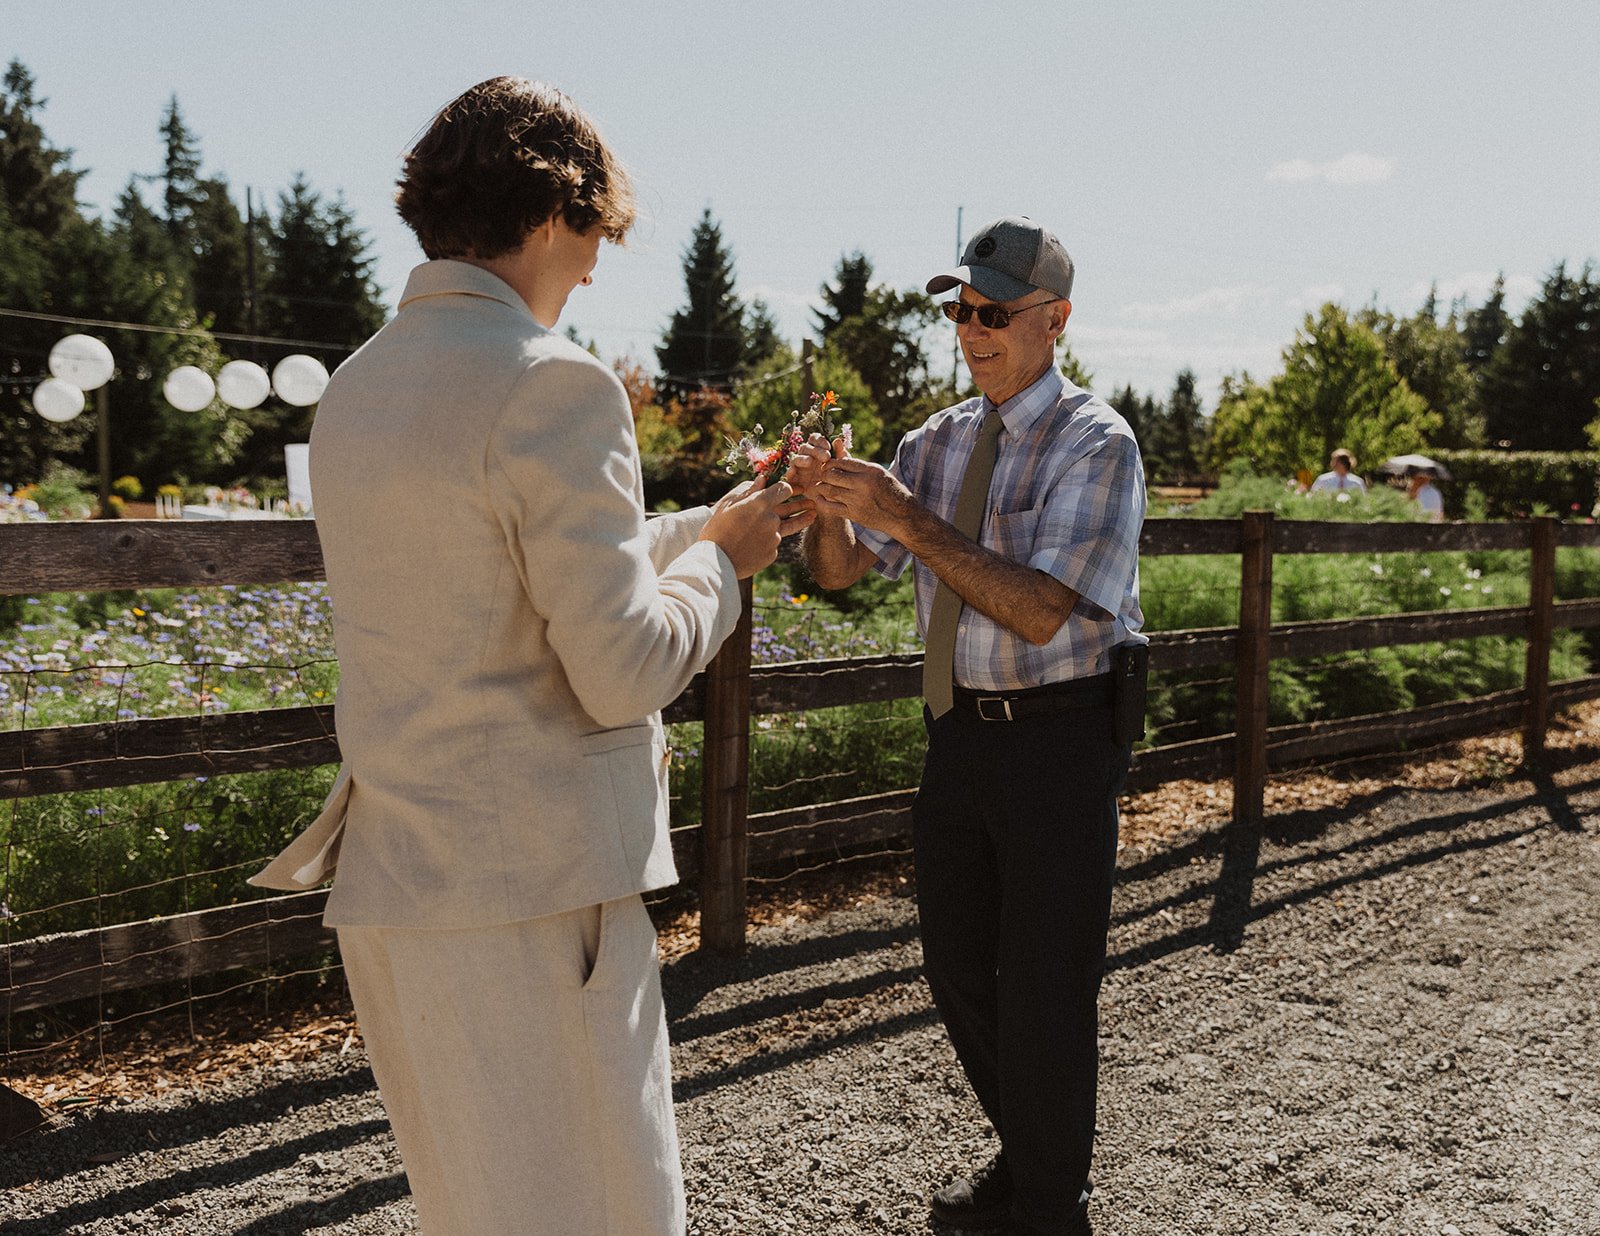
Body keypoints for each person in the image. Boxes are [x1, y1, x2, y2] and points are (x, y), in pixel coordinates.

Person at [250, 77, 807, 1235]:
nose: (598, 266)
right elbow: (625, 667)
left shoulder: (354, 391)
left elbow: (497, 573)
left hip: (400, 885)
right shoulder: (554, 381)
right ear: (556, 214)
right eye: (598, 232)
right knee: (606, 1214)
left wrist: (704, 526)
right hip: (538, 898)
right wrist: (726, 567)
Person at [793, 216, 1146, 1236]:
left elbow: (1039, 611)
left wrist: (907, 518)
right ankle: (1035, 1161)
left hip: (1061, 741)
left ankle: (1046, 1204)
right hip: (960, 741)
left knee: (1042, 982)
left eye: (993, 312)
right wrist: (826, 507)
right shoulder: (932, 443)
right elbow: (843, 576)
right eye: (961, 310)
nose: (972, 329)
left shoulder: (1098, 442)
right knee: (955, 969)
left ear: (1056, 321)